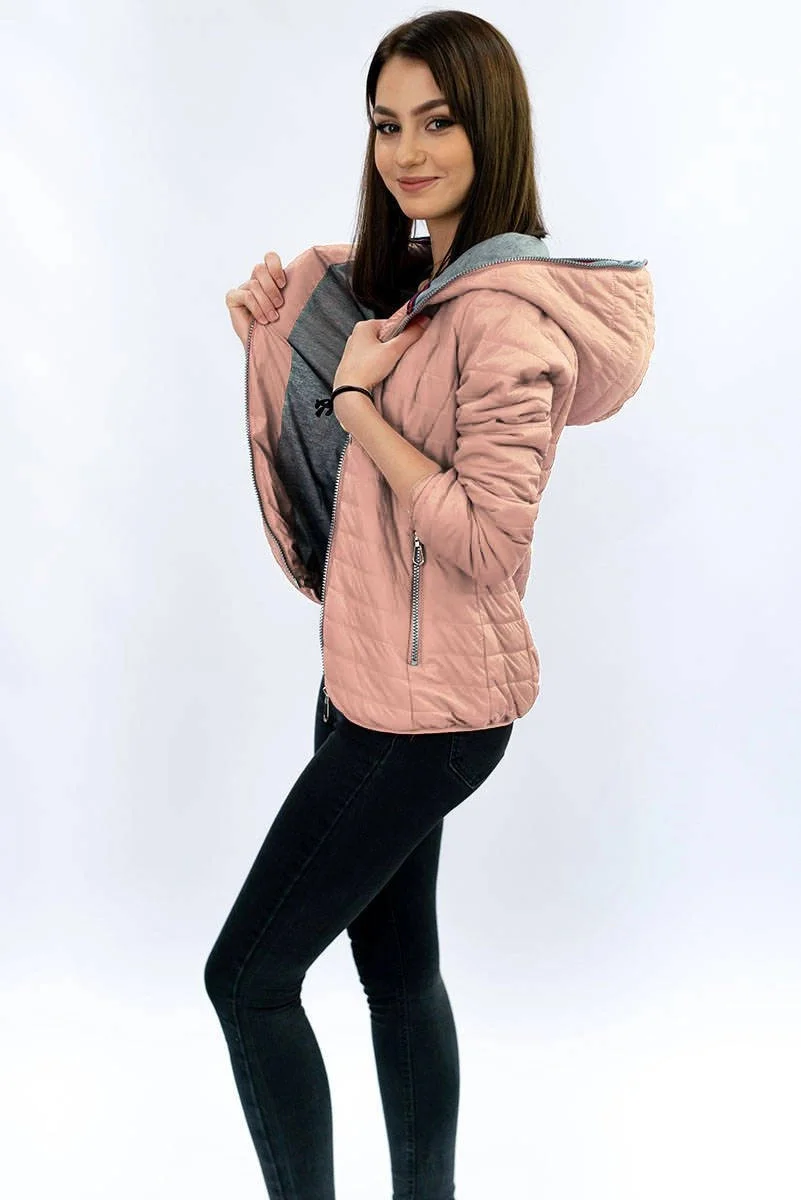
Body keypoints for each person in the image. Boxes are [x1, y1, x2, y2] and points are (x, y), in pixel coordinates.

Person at [207, 10, 655, 1200]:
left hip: (428, 716)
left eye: (438, 122)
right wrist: (270, 325)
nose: (407, 151)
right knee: (398, 977)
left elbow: (487, 544)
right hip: (373, 682)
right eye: (386, 124)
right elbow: (333, 337)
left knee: (247, 979)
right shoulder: (423, 290)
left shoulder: (503, 321)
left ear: (491, 128)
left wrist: (358, 409)